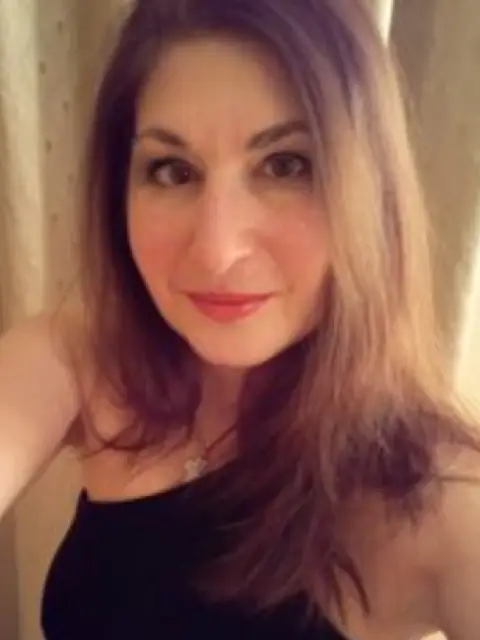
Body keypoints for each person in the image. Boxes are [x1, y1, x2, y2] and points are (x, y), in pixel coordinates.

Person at [1, 0, 480, 637]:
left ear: (371, 191)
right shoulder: (86, 356)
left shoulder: (437, 495)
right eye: (173, 171)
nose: (217, 250)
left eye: (286, 165)